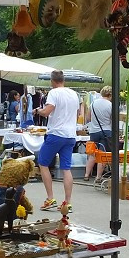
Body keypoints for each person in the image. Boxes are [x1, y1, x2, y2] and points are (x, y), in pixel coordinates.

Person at [36, 70, 80, 212]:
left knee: (43, 163)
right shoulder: (73, 93)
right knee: (66, 168)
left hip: (56, 133)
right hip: (70, 135)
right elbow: (78, 113)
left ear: (52, 81)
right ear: (63, 80)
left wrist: (38, 111)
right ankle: (68, 202)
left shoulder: (54, 93)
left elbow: (47, 111)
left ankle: (50, 198)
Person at [83, 86, 114, 183]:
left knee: (92, 154)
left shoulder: (93, 103)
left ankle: (86, 175)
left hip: (94, 131)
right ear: (110, 95)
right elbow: (113, 120)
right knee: (102, 155)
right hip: (106, 131)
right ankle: (98, 177)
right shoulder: (110, 105)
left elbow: (88, 117)